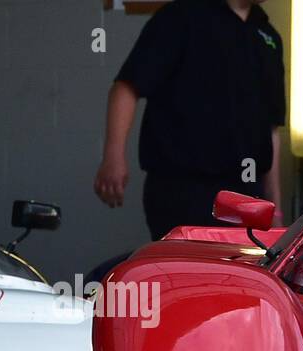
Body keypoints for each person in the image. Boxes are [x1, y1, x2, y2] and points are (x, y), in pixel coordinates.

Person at [94, 0, 286, 240]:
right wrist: (113, 156)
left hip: (247, 194)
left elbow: (271, 127)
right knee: (189, 273)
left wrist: (274, 207)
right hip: (183, 187)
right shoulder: (181, 17)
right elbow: (127, 86)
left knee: (240, 275)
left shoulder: (268, 36)